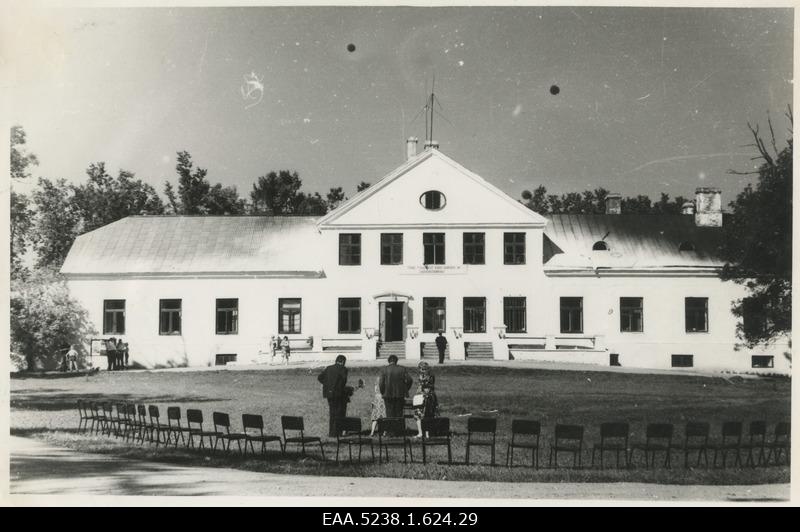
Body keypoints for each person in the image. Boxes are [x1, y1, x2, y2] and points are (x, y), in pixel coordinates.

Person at [317, 355, 349, 437]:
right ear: (343, 361)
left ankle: (331, 432)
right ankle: (338, 432)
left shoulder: (328, 368)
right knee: (339, 413)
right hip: (338, 393)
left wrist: (327, 384)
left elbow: (320, 377)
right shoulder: (343, 369)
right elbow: (344, 380)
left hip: (329, 394)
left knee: (332, 413)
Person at [379, 354, 413, 422]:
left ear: (388, 361)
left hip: (387, 394)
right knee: (399, 413)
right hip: (400, 394)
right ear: (396, 361)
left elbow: (381, 383)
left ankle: (391, 430)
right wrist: (405, 389)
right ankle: (399, 430)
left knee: (389, 413)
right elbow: (410, 380)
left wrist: (383, 392)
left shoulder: (384, 369)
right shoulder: (402, 369)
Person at [413, 361, 439, 437]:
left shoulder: (422, 376)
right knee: (428, 415)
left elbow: (421, 387)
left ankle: (420, 432)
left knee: (418, 415)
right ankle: (427, 433)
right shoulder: (431, 375)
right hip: (431, 397)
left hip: (421, 397)